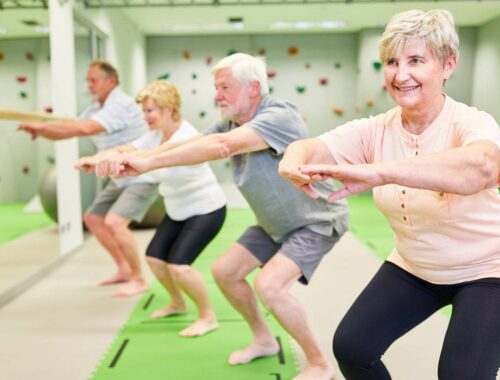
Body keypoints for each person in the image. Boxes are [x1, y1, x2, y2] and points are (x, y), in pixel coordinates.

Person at [95, 53, 349, 380]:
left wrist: (147, 163)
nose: (217, 96)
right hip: (274, 225)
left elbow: (222, 146)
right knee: (225, 271)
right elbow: (193, 142)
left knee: (270, 286)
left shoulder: (279, 116)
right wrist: (133, 156)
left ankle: (319, 364)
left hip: (316, 221)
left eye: (224, 87)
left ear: (254, 88)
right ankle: (264, 339)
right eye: (216, 88)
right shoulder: (232, 121)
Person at [279, 9, 500, 380]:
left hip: (486, 270)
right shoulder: (375, 129)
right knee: (353, 348)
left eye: (416, 60)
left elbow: (482, 167)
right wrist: (292, 160)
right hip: (415, 266)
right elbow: (310, 147)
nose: (401, 75)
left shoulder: (471, 123)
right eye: (391, 62)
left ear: (448, 64)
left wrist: (378, 171)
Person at [79, 80, 227, 337]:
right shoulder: (157, 135)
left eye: (150, 111)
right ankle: (178, 303)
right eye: (144, 111)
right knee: (155, 260)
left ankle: (208, 317)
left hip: (206, 209)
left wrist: (124, 161)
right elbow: (128, 148)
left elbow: (151, 157)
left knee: (179, 267)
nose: (145, 116)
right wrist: (96, 159)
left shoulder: (187, 136)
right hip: (177, 209)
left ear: (170, 109)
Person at [19, 60, 159, 297]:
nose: (89, 85)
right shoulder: (96, 108)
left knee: (115, 222)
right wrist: (42, 130)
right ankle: (124, 269)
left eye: (94, 80)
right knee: (93, 218)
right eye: (88, 80)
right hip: (120, 176)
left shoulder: (120, 104)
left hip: (142, 175)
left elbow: (83, 130)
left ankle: (139, 278)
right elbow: (70, 128)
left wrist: (44, 127)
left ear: (111, 81)